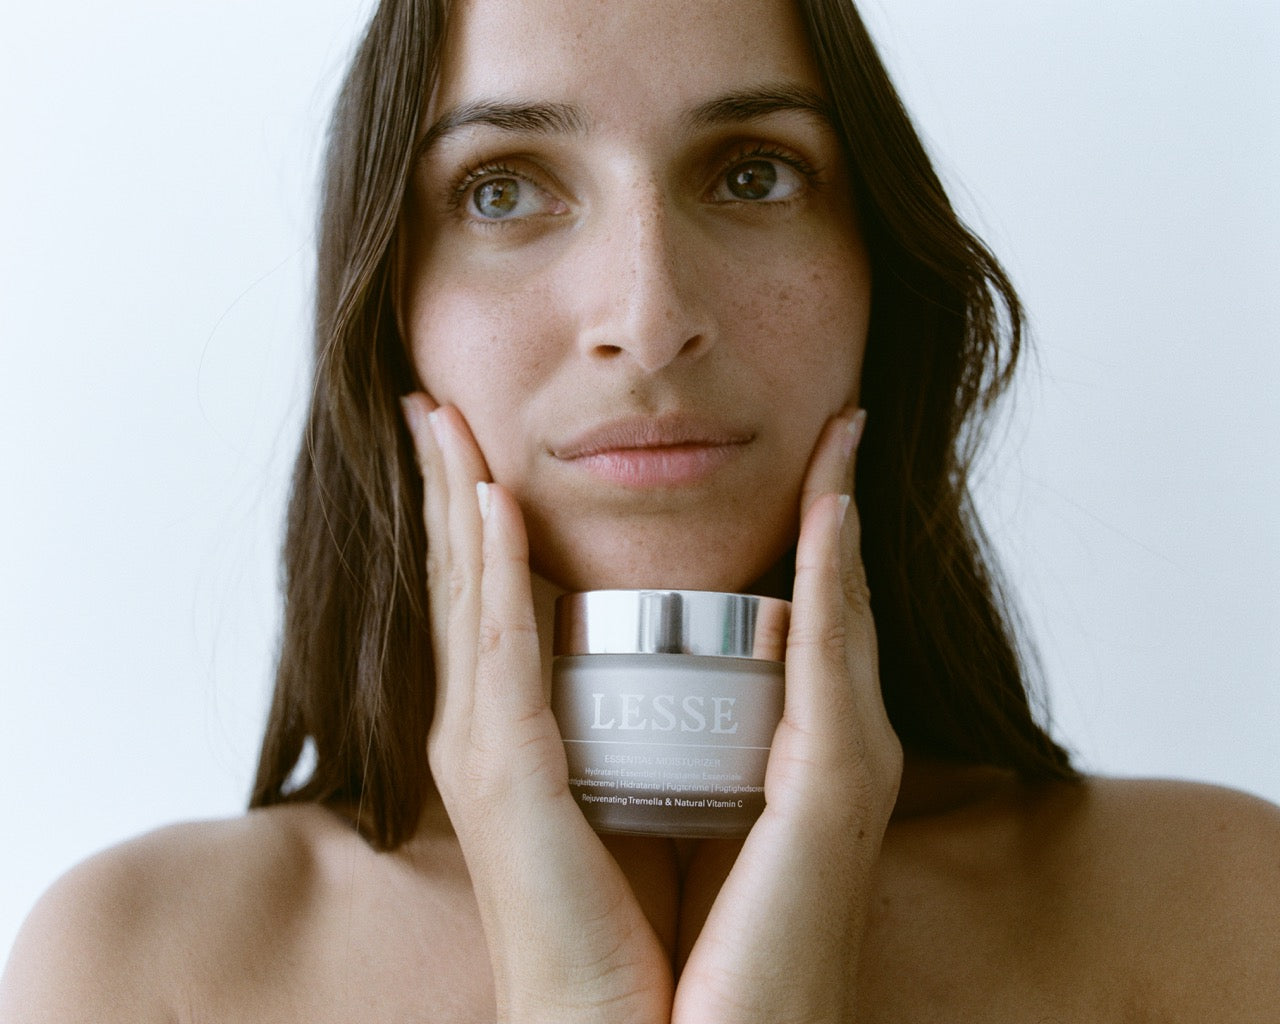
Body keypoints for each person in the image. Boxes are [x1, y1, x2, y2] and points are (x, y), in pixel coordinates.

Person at [3, 0, 1277, 1019]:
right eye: (501, 188)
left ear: (879, 272)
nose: (648, 317)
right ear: (390, 317)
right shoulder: (144, 969)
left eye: (752, 172)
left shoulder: (1215, 911)